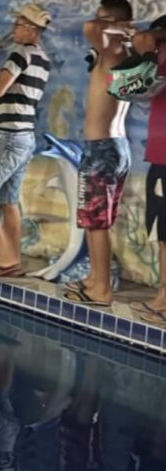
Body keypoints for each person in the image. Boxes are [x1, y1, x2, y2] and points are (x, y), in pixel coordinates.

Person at [0, 4, 52, 278]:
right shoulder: (43, 58)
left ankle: (6, 258)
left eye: (17, 24)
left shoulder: (20, 53)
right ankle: (13, 259)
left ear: (30, 28)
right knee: (8, 200)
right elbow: (17, 90)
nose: (13, 29)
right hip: (25, 136)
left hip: (8, 134)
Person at [64, 0, 134, 305]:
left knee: (95, 223)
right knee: (98, 221)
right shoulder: (124, 53)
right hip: (116, 147)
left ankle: (101, 289)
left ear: (113, 21)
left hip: (101, 148)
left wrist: (116, 26)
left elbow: (89, 27)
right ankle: (95, 279)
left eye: (101, 18)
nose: (96, 22)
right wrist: (121, 28)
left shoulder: (113, 50)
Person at [130, 15, 166, 323]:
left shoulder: (161, 63)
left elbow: (135, 88)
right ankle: (162, 296)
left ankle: (164, 301)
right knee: (162, 232)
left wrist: (146, 53)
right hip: (159, 158)